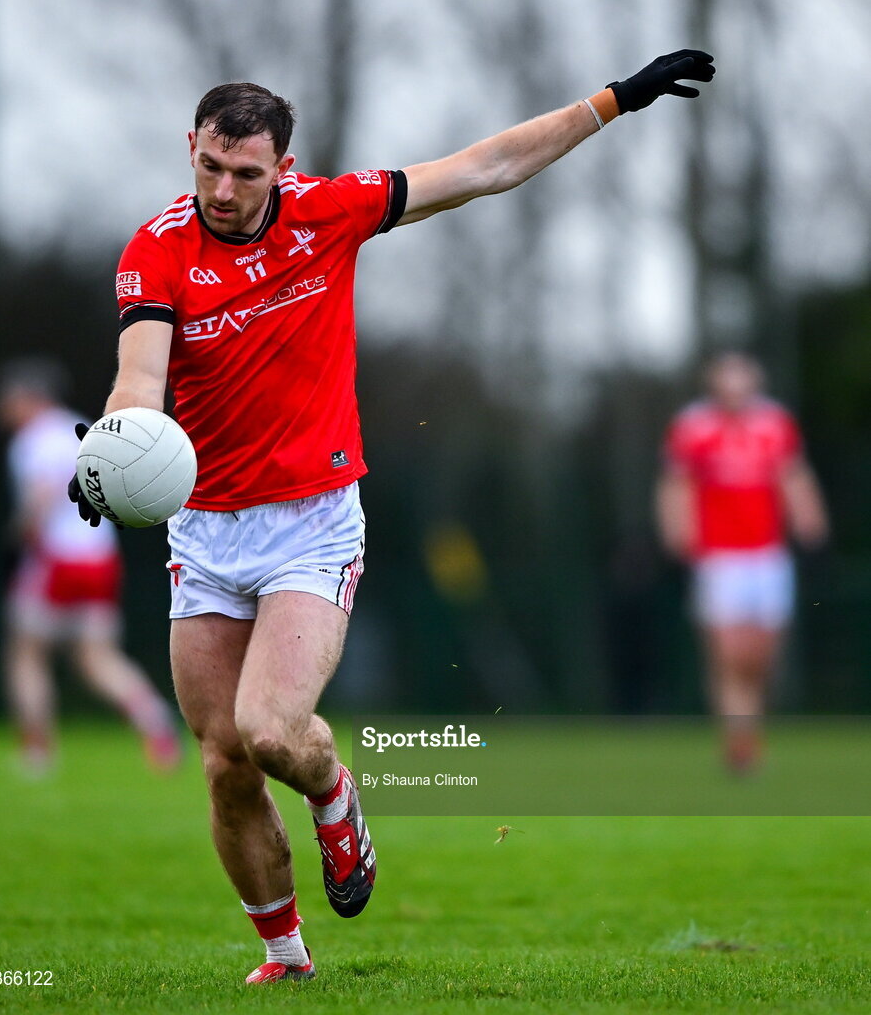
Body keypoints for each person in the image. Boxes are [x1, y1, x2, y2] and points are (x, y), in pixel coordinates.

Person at [69, 51, 715, 983]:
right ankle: (287, 958)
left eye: (245, 173)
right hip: (206, 532)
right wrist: (116, 451)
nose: (222, 188)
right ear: (192, 149)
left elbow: (483, 168)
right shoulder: (156, 249)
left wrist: (614, 101)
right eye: (209, 165)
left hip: (311, 521)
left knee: (271, 732)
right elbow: (140, 377)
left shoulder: (331, 212)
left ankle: (334, 796)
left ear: (284, 170)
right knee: (223, 764)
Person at [0, 358, 181, 773]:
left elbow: (41, 498)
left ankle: (37, 751)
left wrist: (15, 545)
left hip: (56, 559)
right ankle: (153, 717)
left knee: (25, 654)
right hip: (99, 557)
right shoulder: (80, 428)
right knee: (97, 658)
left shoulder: (32, 440)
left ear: (28, 398)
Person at [656, 352, 829, 772]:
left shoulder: (775, 424)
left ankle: (748, 724)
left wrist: (809, 516)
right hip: (719, 558)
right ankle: (740, 741)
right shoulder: (693, 427)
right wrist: (677, 529)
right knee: (728, 653)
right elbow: (675, 484)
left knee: (761, 656)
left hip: (767, 556)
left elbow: (793, 474)